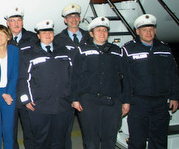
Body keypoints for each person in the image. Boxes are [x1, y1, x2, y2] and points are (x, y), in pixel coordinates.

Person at [70, 16, 130, 149]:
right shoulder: (82, 50)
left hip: (112, 102)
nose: (102, 33)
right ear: (91, 33)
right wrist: (74, 99)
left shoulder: (117, 51)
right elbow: (75, 76)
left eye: (105, 30)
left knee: (109, 139)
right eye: (98, 30)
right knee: (91, 140)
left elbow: (125, 77)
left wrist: (126, 101)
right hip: (89, 101)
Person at [122, 14, 179, 149]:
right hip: (138, 103)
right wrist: (126, 101)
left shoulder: (164, 48)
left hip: (160, 102)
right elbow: (125, 78)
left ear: (155, 31)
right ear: (137, 31)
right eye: (144, 30)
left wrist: (174, 96)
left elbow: (173, 74)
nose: (148, 33)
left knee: (159, 141)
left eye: (151, 29)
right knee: (137, 141)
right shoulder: (128, 49)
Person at [17, 20, 74, 149]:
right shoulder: (29, 54)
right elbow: (23, 79)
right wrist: (26, 101)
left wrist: (73, 97)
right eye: (44, 32)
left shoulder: (64, 52)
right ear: (38, 35)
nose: (47, 34)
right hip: (39, 107)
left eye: (50, 31)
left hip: (62, 105)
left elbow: (73, 76)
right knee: (41, 141)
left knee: (59, 141)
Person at [54, 3, 90, 149]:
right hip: (67, 90)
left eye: (76, 16)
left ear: (80, 18)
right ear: (65, 20)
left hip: (86, 89)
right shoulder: (58, 39)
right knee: (64, 130)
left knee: (89, 129)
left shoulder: (89, 37)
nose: (73, 19)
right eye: (70, 17)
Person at [4, 6, 37, 149]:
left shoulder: (33, 38)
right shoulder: (1, 39)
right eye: (13, 20)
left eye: (19, 20)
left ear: (22, 22)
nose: (16, 23)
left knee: (31, 131)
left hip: (28, 92)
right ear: (7, 23)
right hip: (9, 93)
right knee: (10, 133)